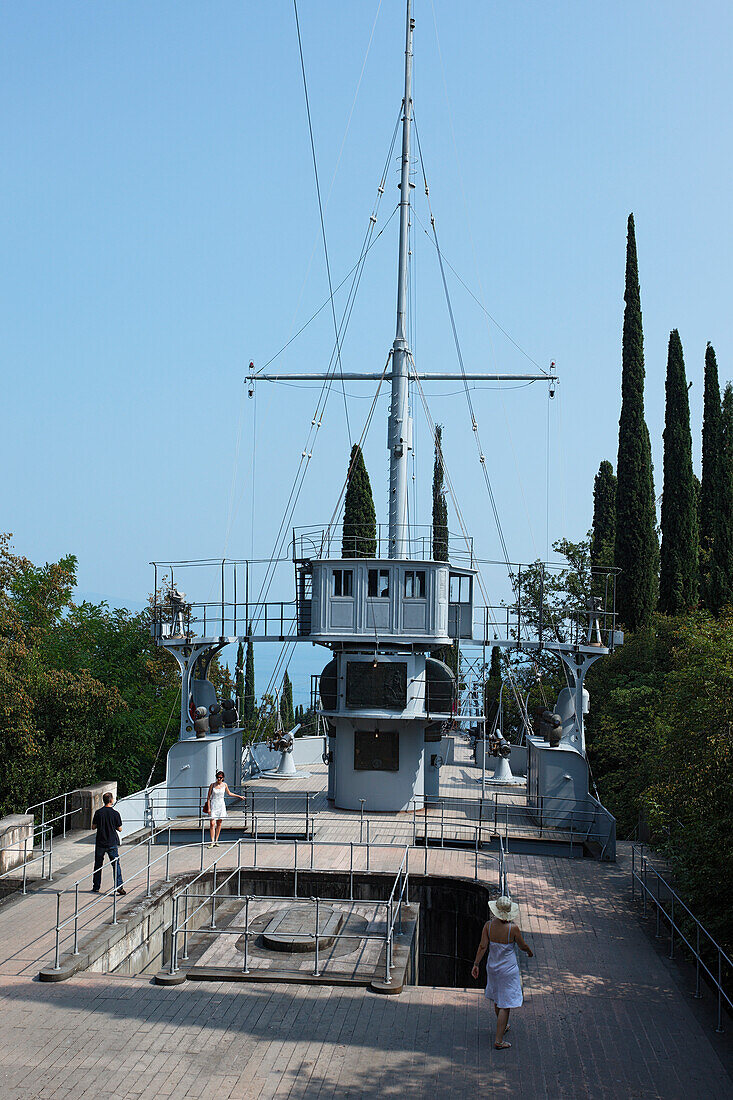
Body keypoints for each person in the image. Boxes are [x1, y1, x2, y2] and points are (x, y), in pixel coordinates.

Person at [471, 895, 533, 1050]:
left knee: (498, 998)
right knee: (505, 1004)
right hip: (508, 970)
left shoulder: (488, 926)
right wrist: (529, 952)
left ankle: (502, 1025)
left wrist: (476, 964)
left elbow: (482, 946)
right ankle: (499, 1040)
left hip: (492, 967)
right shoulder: (513, 929)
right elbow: (522, 945)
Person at [91, 792, 126, 895]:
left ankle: (96, 886)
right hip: (111, 842)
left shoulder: (98, 813)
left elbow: (93, 827)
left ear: (103, 800)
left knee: (98, 865)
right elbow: (120, 829)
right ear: (111, 800)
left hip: (100, 842)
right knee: (116, 865)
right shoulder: (115, 814)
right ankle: (119, 886)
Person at [205, 771, 244, 847]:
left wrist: (239, 796)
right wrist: (209, 808)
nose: (219, 779)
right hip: (214, 804)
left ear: (223, 778)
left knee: (219, 823)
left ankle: (216, 840)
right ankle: (212, 841)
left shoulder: (224, 785)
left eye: (220, 777)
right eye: (218, 777)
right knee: (212, 823)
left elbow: (229, 793)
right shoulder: (212, 785)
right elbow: (208, 797)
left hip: (221, 805)